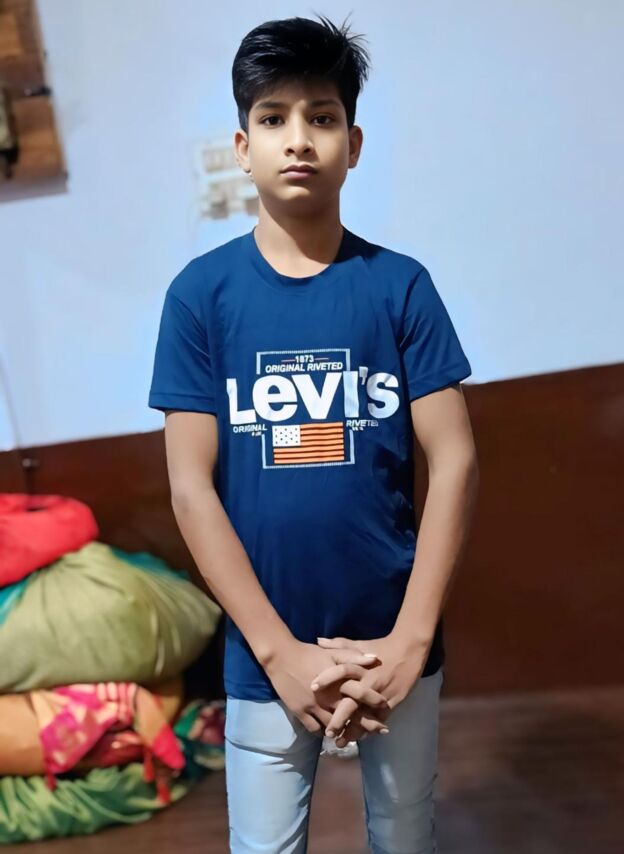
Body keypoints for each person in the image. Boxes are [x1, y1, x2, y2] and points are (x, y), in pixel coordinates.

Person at [148, 12, 479, 853]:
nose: (298, 138)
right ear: (242, 146)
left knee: (405, 837)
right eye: (274, 118)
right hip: (264, 653)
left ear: (353, 144)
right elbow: (190, 489)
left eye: (321, 117)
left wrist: (409, 642)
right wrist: (278, 652)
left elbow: (456, 460)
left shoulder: (401, 288)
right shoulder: (200, 298)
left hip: (397, 646)